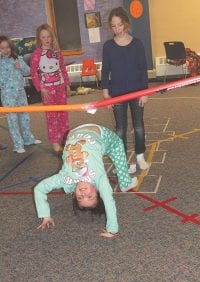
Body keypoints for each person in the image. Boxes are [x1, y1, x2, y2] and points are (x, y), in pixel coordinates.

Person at [34, 124, 138, 238]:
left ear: (74, 194)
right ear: (97, 190)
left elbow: (39, 189)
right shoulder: (99, 179)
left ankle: (124, 181)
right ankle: (125, 183)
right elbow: (108, 202)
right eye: (90, 197)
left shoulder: (65, 179)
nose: (84, 194)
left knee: (71, 139)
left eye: (80, 197)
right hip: (102, 135)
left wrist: (46, 215)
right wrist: (112, 230)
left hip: (74, 132)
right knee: (118, 148)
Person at [101, 7, 149, 172]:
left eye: (120, 25)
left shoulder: (137, 44)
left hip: (137, 92)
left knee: (138, 126)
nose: (117, 29)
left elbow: (143, 69)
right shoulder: (108, 46)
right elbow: (105, 70)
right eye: (114, 26)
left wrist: (144, 92)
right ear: (110, 27)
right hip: (117, 93)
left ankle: (140, 156)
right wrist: (106, 94)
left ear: (126, 23)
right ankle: (120, 161)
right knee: (120, 128)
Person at [31, 24, 71, 153]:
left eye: (48, 37)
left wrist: (67, 85)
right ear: (39, 39)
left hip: (60, 89)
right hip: (47, 92)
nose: (47, 39)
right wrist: (41, 88)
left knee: (63, 114)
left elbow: (63, 69)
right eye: (43, 37)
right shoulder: (37, 54)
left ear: (52, 38)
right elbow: (34, 73)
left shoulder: (57, 52)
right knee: (52, 117)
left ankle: (65, 137)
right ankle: (55, 142)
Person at [0, 36, 41, 154]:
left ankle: (28, 139)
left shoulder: (17, 58)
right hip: (7, 94)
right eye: (2, 48)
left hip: (20, 92)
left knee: (25, 117)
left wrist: (20, 66)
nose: (5, 50)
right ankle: (18, 144)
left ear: (10, 47)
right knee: (12, 119)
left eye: (7, 47)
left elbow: (28, 71)